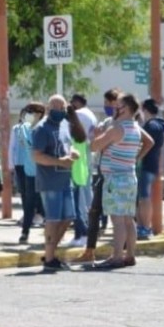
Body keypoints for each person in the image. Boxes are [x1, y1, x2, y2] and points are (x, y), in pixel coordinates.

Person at [91, 93, 153, 269]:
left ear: (127, 108)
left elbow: (94, 146)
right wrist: (136, 158)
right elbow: (150, 142)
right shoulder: (135, 126)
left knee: (117, 220)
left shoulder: (116, 128)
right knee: (128, 219)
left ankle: (117, 257)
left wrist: (97, 135)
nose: (114, 108)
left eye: (118, 106)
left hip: (114, 179)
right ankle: (130, 255)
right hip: (129, 177)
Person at [74, 88, 121, 263]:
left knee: (119, 216)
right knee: (94, 211)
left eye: (109, 102)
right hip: (103, 171)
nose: (107, 106)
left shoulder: (122, 124)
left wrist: (100, 139)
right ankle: (90, 251)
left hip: (117, 174)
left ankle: (120, 253)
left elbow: (96, 145)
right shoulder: (107, 122)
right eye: (106, 102)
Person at [32, 95, 78, 271]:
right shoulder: (41, 129)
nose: (60, 111)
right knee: (53, 219)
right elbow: (37, 156)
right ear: (48, 108)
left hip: (66, 180)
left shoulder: (64, 124)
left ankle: (50, 253)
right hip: (50, 181)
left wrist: (72, 153)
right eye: (56, 108)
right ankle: (50, 258)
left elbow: (67, 144)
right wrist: (59, 162)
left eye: (63, 108)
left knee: (68, 217)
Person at [68, 94, 97, 246]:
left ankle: (83, 234)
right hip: (85, 164)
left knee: (79, 202)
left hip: (76, 168)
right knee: (86, 198)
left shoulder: (78, 117)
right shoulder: (91, 115)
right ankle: (83, 233)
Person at [136, 98, 164, 240]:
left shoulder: (151, 126)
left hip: (146, 166)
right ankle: (142, 226)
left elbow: (148, 144)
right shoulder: (159, 124)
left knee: (144, 198)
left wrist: (137, 157)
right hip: (152, 165)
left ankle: (145, 227)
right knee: (143, 198)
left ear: (144, 109)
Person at [18, 103, 45, 244]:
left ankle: (51, 234)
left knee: (47, 204)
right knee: (29, 204)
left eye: (31, 111)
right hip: (30, 171)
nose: (27, 114)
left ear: (39, 114)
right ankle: (25, 232)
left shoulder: (44, 128)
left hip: (44, 172)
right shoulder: (25, 128)